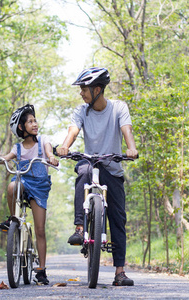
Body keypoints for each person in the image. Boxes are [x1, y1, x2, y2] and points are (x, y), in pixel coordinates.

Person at [56, 67, 138, 286]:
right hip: (90, 162)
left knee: (118, 219)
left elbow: (126, 129)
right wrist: (64, 146)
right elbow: (73, 132)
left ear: (98, 90)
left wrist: (131, 148)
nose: (81, 93)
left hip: (112, 166)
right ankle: (80, 228)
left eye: (85, 89)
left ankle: (119, 272)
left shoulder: (118, 107)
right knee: (82, 170)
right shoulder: (82, 111)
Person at [0, 104, 58, 285]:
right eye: (30, 121)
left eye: (35, 120)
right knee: (11, 186)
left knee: (40, 229)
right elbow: (5, 158)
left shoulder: (43, 140)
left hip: (39, 186)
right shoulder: (18, 148)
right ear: (21, 128)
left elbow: (48, 151)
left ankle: (41, 270)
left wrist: (51, 157)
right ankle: (13, 219)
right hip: (24, 183)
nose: (35, 124)